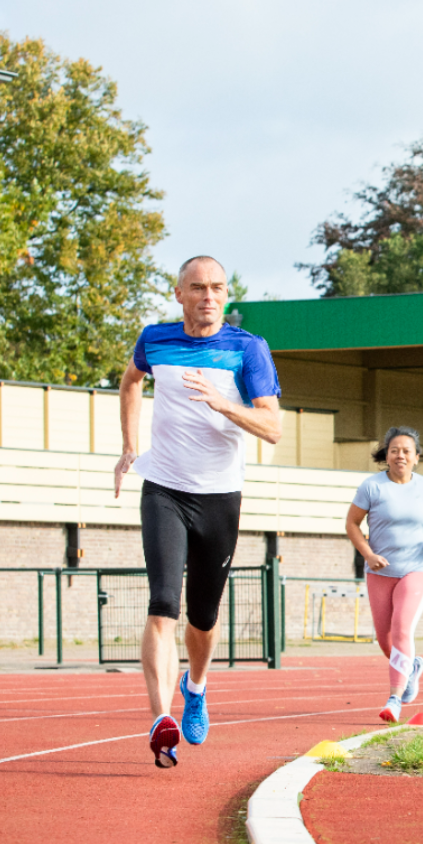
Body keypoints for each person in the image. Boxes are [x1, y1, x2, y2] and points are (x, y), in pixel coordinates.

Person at [114, 256, 282, 768]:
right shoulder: (155, 338)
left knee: (204, 616)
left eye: (217, 288)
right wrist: (129, 445)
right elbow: (130, 383)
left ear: (225, 294)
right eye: (198, 288)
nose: (208, 296)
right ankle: (160, 717)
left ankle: (197, 685)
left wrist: (222, 403)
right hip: (163, 487)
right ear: (179, 293)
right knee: (163, 602)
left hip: (219, 496)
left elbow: (272, 427)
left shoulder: (247, 349)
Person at [347, 426, 423, 722]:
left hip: (415, 568)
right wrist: (368, 554)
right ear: (386, 456)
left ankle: (394, 699)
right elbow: (352, 524)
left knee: (403, 627)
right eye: (394, 450)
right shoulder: (372, 486)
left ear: (416, 457)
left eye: (406, 451)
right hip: (379, 571)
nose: (400, 455)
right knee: (384, 638)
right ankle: (411, 666)